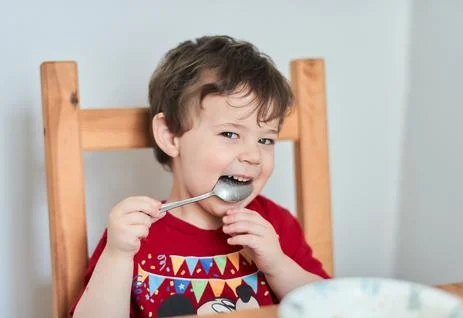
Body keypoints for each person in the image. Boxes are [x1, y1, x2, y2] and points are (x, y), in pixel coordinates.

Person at [72, 35, 330, 318]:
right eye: (230, 134)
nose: (254, 155)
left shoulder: (275, 225)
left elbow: (332, 307)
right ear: (170, 136)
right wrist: (117, 255)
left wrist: (277, 264)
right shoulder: (131, 236)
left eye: (266, 140)